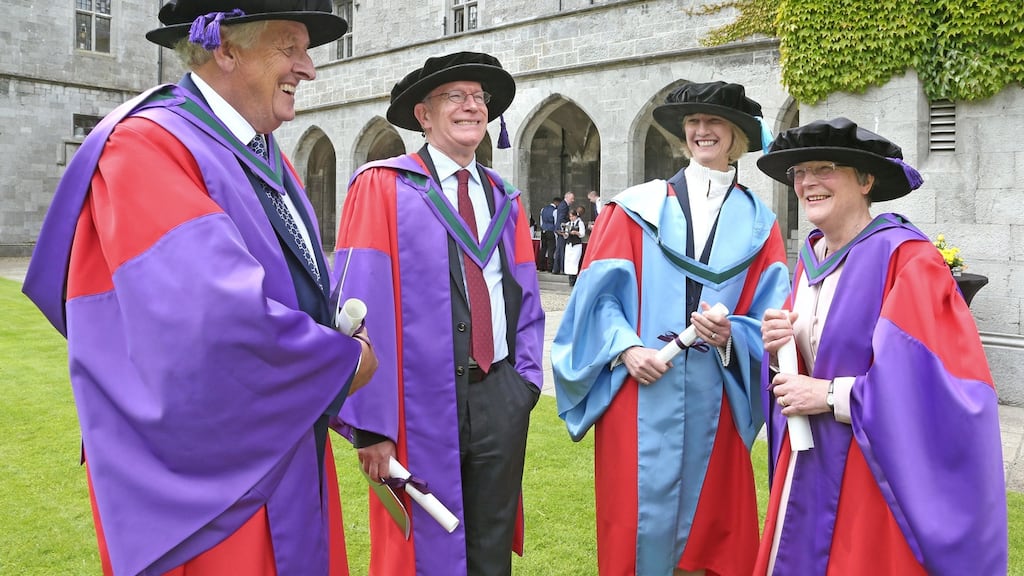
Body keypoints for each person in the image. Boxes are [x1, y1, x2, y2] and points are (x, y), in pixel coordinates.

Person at [20, 1, 378, 575]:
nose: (309, 68)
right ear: (226, 49)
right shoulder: (147, 146)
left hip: (280, 453)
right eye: (290, 46)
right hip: (212, 492)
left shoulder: (264, 157)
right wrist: (345, 359)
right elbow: (213, 324)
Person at [551, 81, 790, 576]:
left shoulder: (759, 225)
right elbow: (597, 301)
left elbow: (772, 318)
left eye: (714, 122)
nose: (702, 131)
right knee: (636, 530)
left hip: (715, 398)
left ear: (737, 136)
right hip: (639, 391)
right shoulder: (634, 208)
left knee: (712, 531)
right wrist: (625, 349)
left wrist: (732, 337)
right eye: (693, 123)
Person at [754, 117, 1007, 575]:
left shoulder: (908, 260)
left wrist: (829, 394)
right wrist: (779, 348)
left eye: (825, 167)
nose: (808, 181)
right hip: (809, 465)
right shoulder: (812, 257)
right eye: (799, 172)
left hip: (872, 473)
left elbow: (931, 386)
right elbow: (810, 359)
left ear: (867, 180)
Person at [332, 51, 545, 576]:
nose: (472, 107)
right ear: (423, 115)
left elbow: (528, 300)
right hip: (415, 405)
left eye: (479, 98)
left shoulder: (505, 199)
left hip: (498, 394)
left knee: (489, 548)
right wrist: (372, 427)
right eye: (456, 96)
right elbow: (358, 306)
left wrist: (526, 384)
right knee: (421, 546)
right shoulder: (381, 185)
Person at [561, 206, 587, 286]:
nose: (571, 218)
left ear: (576, 216)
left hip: (576, 244)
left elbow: (582, 234)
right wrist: (563, 234)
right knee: (568, 260)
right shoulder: (568, 224)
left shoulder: (580, 223)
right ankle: (570, 278)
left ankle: (574, 278)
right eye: (570, 216)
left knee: (574, 260)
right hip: (569, 244)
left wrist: (576, 233)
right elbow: (566, 235)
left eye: (572, 216)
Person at [551, 190, 574, 274]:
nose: (573, 200)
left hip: (559, 229)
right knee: (562, 250)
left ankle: (556, 269)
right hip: (561, 230)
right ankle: (561, 269)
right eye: (572, 198)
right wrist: (563, 231)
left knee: (559, 250)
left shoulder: (562, 205)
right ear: (567, 197)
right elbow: (561, 219)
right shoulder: (564, 206)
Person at [539, 196, 560, 271]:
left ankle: (541, 266)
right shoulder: (555, 211)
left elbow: (541, 221)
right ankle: (550, 267)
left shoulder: (543, 209)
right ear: (557, 202)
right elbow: (556, 222)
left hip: (543, 230)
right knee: (551, 249)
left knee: (543, 249)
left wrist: (543, 228)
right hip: (551, 231)